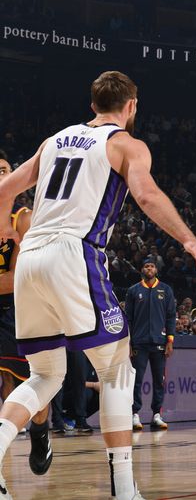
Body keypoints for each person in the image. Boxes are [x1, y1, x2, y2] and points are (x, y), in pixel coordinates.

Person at [0, 70, 196, 500]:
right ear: (131, 106)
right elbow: (148, 196)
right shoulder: (125, 144)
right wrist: (190, 239)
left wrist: (7, 235)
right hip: (74, 253)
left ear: (93, 103)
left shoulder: (54, 140)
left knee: (45, 373)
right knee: (118, 368)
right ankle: (122, 488)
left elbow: (4, 188)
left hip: (31, 257)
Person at [0, 151, 53, 476]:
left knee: (29, 383)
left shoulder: (24, 218)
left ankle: (39, 431)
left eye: (4, 169)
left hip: (18, 312)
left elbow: (18, 279)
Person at [125, 259, 176, 430]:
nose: (149, 268)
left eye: (152, 266)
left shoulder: (166, 290)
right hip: (139, 342)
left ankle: (156, 415)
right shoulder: (133, 290)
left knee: (159, 381)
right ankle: (134, 414)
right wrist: (129, 342)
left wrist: (170, 340)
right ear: (142, 269)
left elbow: (170, 316)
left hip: (159, 342)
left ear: (156, 270)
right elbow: (128, 319)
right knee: (136, 380)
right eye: (146, 266)